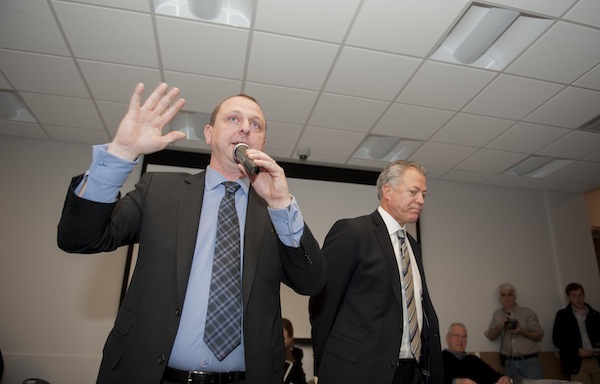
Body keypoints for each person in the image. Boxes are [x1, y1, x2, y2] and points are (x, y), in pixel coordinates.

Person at [57, 83, 326, 384]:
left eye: (255, 124)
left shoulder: (275, 212)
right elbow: (80, 238)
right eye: (233, 119)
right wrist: (121, 152)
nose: (245, 129)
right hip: (149, 374)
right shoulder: (160, 191)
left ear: (262, 141)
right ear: (209, 133)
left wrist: (280, 203)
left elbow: (310, 282)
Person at [309, 160, 443, 384]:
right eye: (413, 192)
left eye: (424, 194)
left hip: (412, 371)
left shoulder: (413, 245)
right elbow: (323, 302)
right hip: (359, 371)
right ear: (387, 191)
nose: (420, 200)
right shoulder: (353, 232)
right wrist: (325, 364)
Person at [484, 283, 544, 380]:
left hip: (530, 361)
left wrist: (522, 331)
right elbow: (490, 336)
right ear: (500, 298)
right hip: (509, 363)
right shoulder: (497, 314)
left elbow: (540, 335)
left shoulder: (527, 312)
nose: (507, 298)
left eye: (510, 294)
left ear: (515, 297)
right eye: (503, 295)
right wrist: (500, 325)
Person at [552, 282, 600, 384]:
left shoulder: (595, 315)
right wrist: (576, 350)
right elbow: (557, 340)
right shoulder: (563, 315)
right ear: (569, 298)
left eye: (580, 295)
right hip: (577, 363)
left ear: (584, 295)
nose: (578, 299)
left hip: (597, 359)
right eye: (574, 295)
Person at [443, 322, 512, 384]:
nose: (461, 339)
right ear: (448, 338)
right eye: (457, 335)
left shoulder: (474, 360)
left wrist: (504, 378)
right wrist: (456, 382)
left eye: (464, 337)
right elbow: (435, 379)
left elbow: (494, 376)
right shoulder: (440, 358)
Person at [282, 318, 307, 384]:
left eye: (283, 339)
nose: (279, 343)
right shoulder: (265, 356)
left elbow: (301, 381)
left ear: (289, 340)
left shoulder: (296, 354)